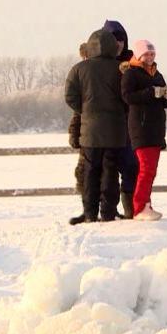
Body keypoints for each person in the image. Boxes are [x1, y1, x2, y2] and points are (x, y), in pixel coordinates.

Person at [65, 29, 128, 222]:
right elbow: (127, 97)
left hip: (89, 132)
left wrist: (86, 111)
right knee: (110, 172)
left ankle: (90, 213)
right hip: (115, 131)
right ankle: (108, 213)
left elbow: (70, 97)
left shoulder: (79, 69)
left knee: (90, 173)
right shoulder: (120, 70)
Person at [122, 40, 167, 221]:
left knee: (151, 170)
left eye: (152, 54)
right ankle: (139, 206)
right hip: (141, 129)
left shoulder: (157, 74)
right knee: (146, 169)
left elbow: (165, 102)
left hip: (156, 129)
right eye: (146, 55)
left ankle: (146, 204)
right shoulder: (131, 74)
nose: (150, 57)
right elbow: (127, 97)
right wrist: (151, 92)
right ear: (139, 56)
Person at [103, 19, 139, 219]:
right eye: (112, 40)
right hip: (104, 127)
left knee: (131, 167)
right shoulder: (96, 64)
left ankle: (131, 210)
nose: (117, 44)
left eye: (121, 40)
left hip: (128, 125)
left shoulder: (134, 63)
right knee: (107, 171)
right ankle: (107, 211)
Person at [68, 42, 90, 225]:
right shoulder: (83, 78)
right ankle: (88, 210)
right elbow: (78, 112)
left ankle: (97, 210)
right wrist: (74, 133)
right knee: (82, 173)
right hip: (86, 133)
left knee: (101, 173)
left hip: (96, 133)